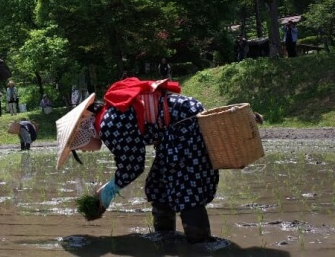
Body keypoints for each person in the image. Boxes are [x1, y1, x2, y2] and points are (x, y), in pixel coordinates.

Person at [55, 77, 219, 244]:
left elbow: (133, 166)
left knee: (185, 186)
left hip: (184, 123)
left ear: (82, 133)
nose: (84, 150)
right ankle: (166, 239)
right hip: (179, 122)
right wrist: (110, 186)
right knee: (158, 186)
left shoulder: (108, 124)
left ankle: (201, 245)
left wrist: (108, 191)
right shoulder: (109, 117)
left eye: (79, 148)